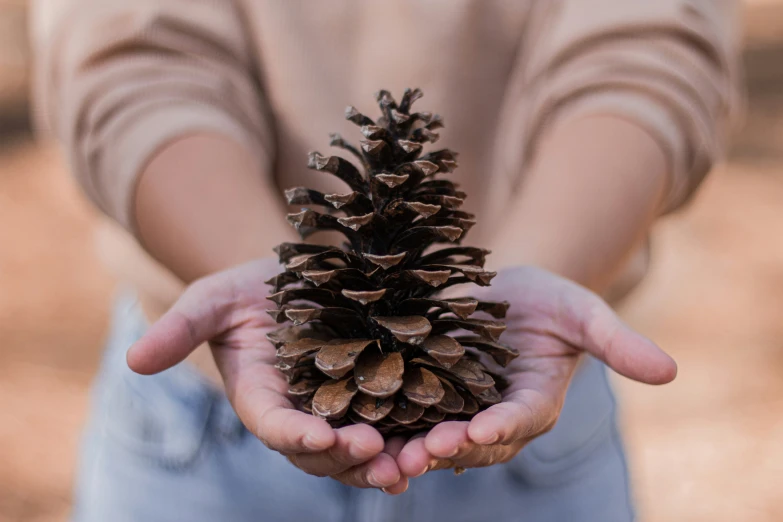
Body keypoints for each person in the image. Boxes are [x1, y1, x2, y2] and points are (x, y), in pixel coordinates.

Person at [31, 1, 741, 520]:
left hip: (521, 389)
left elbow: (648, 46)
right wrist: (287, 305)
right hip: (200, 424)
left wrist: (521, 290)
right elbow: (133, 58)